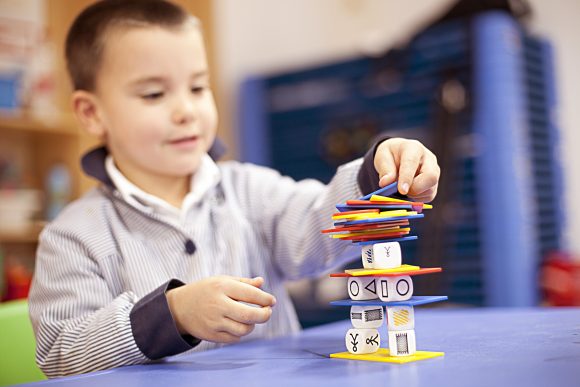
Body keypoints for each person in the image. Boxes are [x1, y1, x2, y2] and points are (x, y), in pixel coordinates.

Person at [28, 0, 440, 378]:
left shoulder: (248, 189)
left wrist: (379, 175)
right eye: (154, 93)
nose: (186, 111)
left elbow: (316, 222)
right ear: (91, 113)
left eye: (197, 87)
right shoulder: (71, 237)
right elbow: (62, 354)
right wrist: (171, 315)